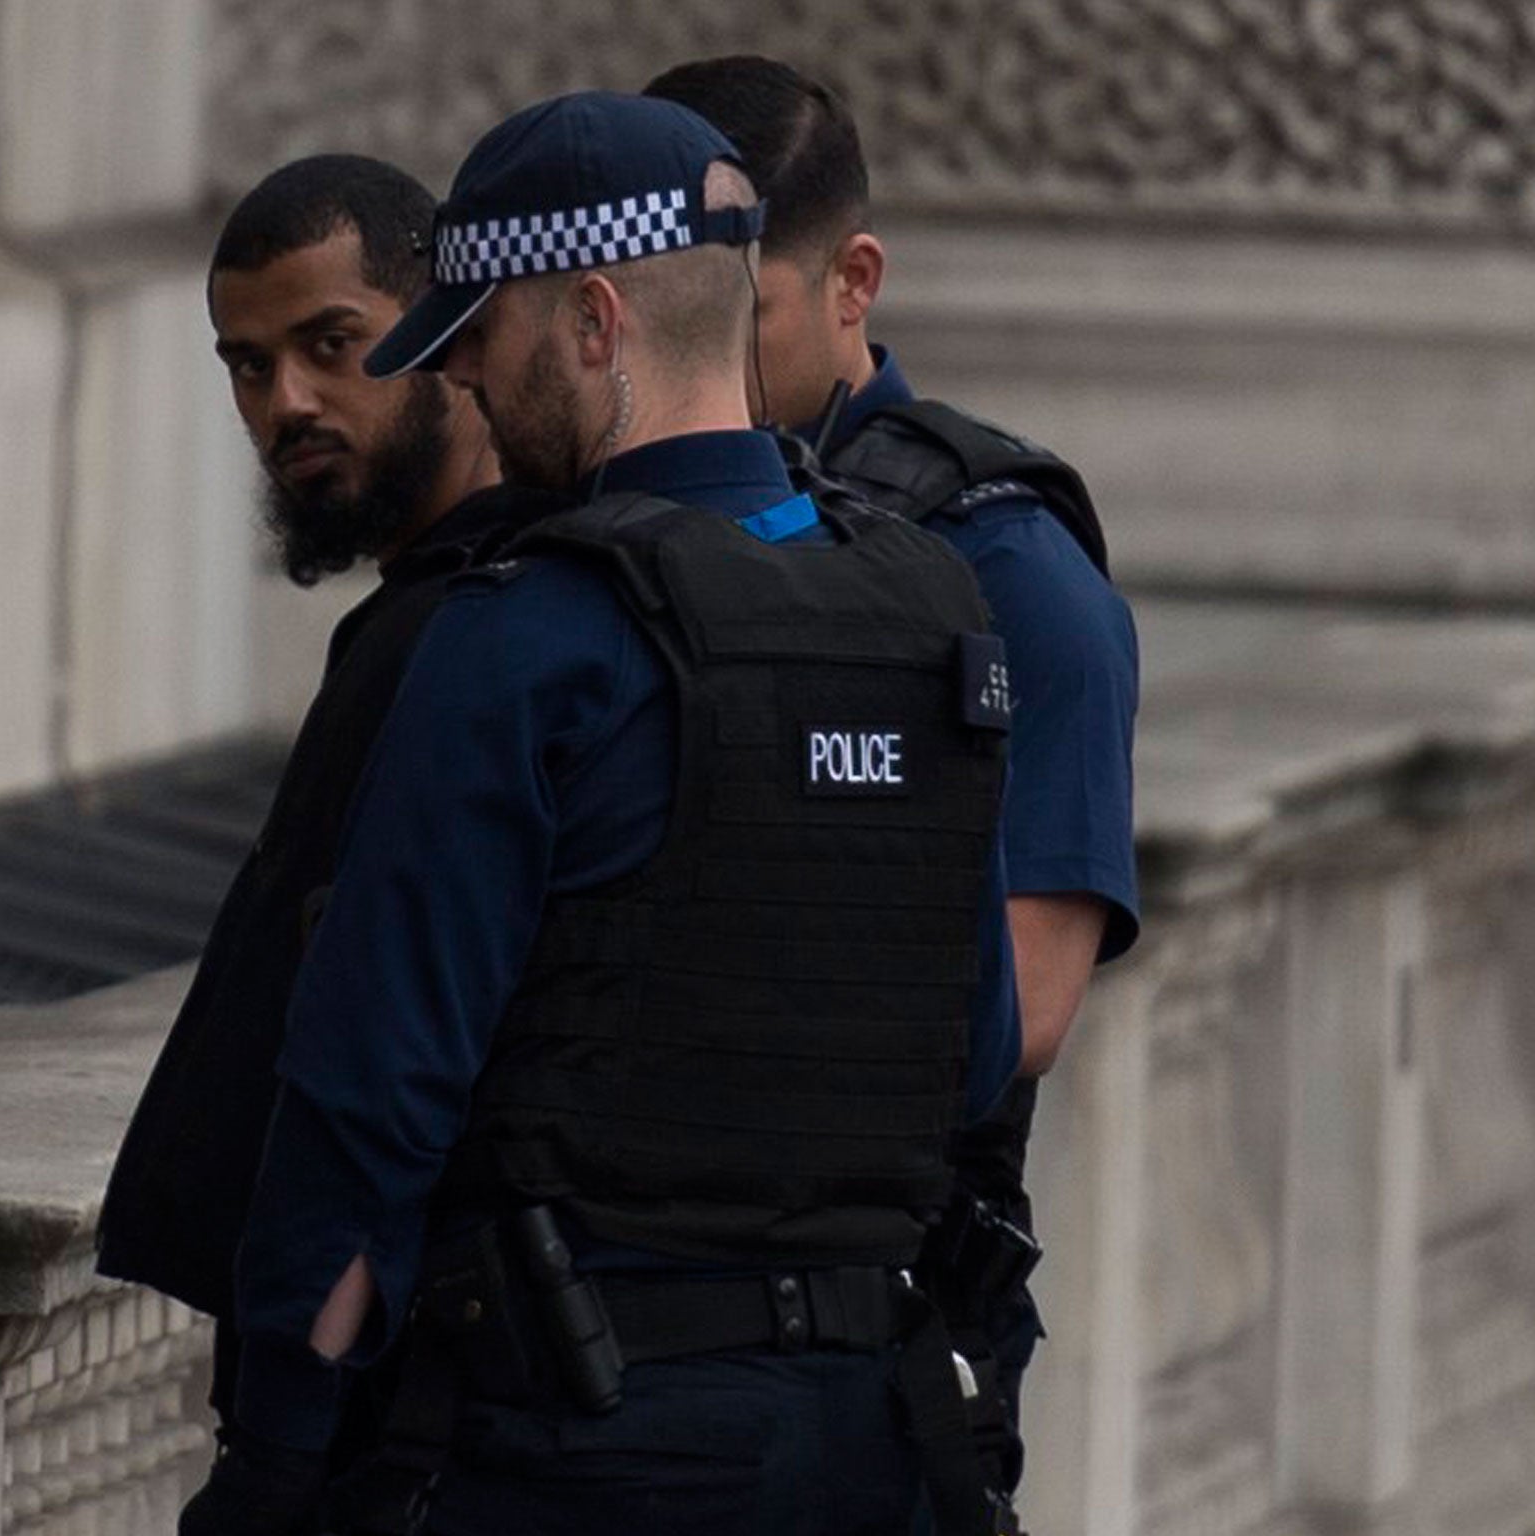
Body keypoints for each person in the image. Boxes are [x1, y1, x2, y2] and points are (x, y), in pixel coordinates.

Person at [178, 92, 1021, 1536]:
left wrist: (270, 1468)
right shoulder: (931, 604)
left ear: (590, 324)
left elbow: (363, 1107)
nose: (480, 396)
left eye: (485, 344)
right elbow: (982, 1050)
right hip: (877, 1447)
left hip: (580, 1450)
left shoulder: (521, 641)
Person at [647, 54, 1143, 1507]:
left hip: (877, 1341)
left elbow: (1024, 1008)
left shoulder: (1009, 573)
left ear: (852, 283)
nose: (683, 370)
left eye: (736, 320)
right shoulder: (618, 528)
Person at [95, 154, 558, 1450]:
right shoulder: (428, 620)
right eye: (248, 367)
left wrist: (296, 1428)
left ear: (445, 330)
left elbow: (389, 1064)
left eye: (331, 344)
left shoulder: (493, 629)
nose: (288, 401)